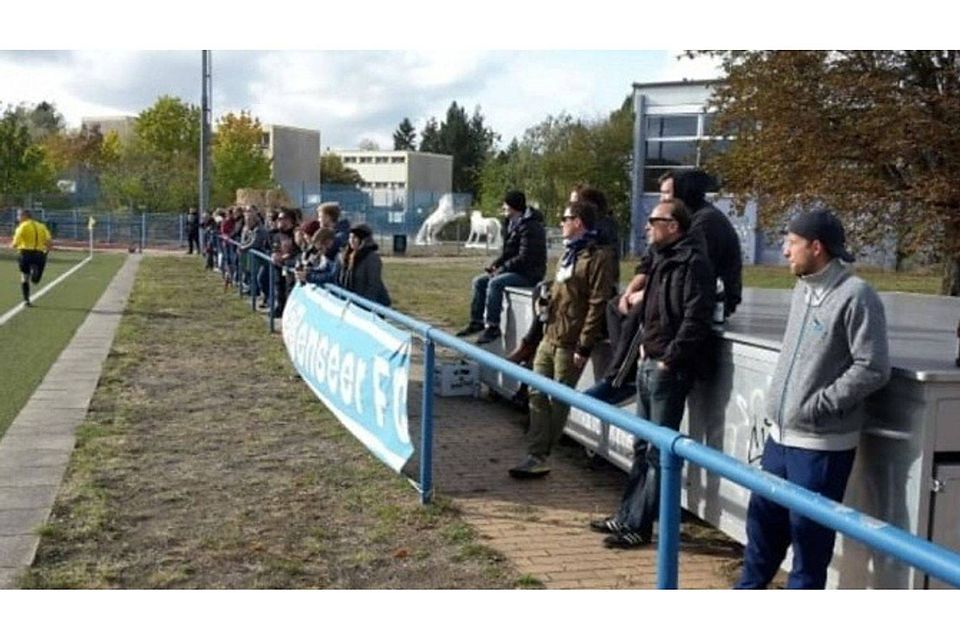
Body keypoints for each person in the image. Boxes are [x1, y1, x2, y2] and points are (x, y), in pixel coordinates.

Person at [736, 208, 890, 589]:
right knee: (761, 533)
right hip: (780, 440)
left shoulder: (856, 295)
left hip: (821, 446)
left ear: (816, 247)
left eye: (791, 243)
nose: (784, 251)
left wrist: (818, 405)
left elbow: (873, 367)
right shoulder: (802, 289)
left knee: (809, 547)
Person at [589, 197, 714, 548]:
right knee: (642, 447)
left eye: (654, 220)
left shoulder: (693, 262)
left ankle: (640, 527)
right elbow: (651, 310)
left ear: (673, 226)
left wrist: (669, 359)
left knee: (660, 454)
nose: (647, 226)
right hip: (649, 363)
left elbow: (695, 317)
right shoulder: (661, 257)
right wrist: (644, 349)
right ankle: (626, 516)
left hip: (667, 371)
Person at [508, 200, 615, 479]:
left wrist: (585, 343)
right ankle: (536, 450)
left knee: (558, 398)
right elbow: (560, 291)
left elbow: (597, 302)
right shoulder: (567, 254)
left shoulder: (598, 256)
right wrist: (545, 300)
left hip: (571, 341)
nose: (561, 224)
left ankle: (538, 455)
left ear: (578, 222)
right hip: (550, 333)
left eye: (565, 218)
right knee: (535, 390)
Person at [456, 190, 547, 345]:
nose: (503, 208)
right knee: (479, 281)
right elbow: (509, 252)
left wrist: (502, 270)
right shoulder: (510, 223)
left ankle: (493, 326)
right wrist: (496, 265)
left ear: (514, 207)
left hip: (529, 273)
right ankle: (476, 322)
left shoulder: (531, 227)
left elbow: (524, 257)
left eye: (506, 205)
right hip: (515, 269)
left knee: (495, 283)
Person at [339, 223, 391, 307]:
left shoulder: (371, 258)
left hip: (370, 305)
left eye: (355, 237)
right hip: (353, 302)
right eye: (350, 237)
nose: (351, 240)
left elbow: (373, 285)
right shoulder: (348, 256)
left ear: (363, 240)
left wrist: (364, 306)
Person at [9, 208, 52, 307]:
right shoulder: (42, 226)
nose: (17, 217)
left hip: (25, 254)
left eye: (19, 215)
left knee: (24, 277)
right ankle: (34, 271)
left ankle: (26, 300)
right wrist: (46, 252)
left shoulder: (22, 226)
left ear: (24, 216)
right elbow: (49, 242)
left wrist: (11, 246)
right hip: (39, 254)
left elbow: (15, 244)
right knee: (35, 281)